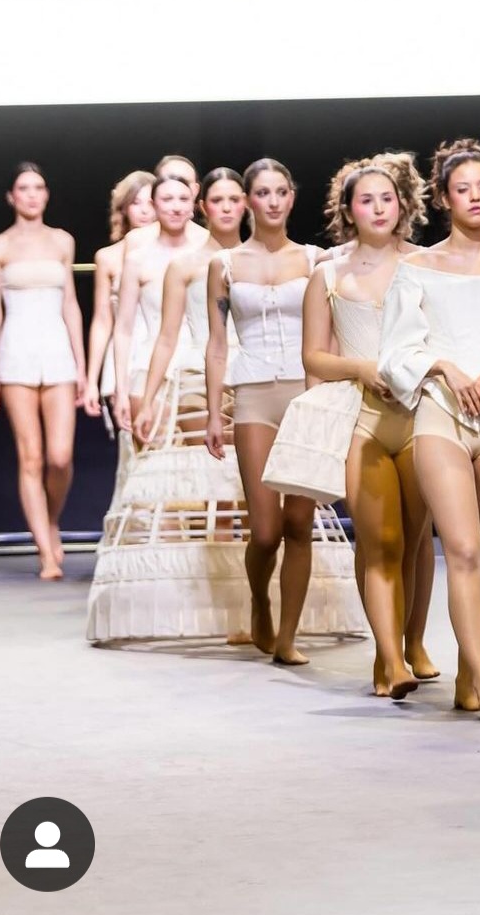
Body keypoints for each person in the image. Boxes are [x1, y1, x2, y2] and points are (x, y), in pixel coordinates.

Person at [379, 138, 480, 714]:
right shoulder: (417, 268)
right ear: (444, 198)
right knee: (463, 549)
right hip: (441, 411)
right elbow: (395, 352)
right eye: (462, 189)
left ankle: (472, 678)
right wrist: (444, 365)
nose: (475, 197)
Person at [303, 152, 434, 699]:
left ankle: (409, 643)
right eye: (366, 200)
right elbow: (314, 356)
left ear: (403, 204)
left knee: (416, 539)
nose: (379, 208)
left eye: (387, 198)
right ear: (348, 209)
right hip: (363, 418)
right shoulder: (328, 274)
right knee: (380, 541)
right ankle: (389, 659)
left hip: (422, 415)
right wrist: (360, 368)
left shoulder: (429, 264)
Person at [204, 158, 320, 664]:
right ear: (249, 200)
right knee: (267, 530)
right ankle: (259, 602)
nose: (273, 201)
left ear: (292, 197)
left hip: (305, 395)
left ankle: (289, 637)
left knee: (299, 524)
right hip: (252, 394)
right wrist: (215, 412)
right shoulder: (225, 265)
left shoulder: (315, 260)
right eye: (263, 193)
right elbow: (216, 345)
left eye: (281, 191)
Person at [0, 163, 86, 580]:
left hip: (57, 351)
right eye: (23, 188)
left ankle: (50, 519)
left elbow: (71, 304)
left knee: (60, 457)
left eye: (38, 187)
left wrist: (82, 366)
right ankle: (46, 552)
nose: (31, 194)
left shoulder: (62, 240)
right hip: (16, 352)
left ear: (46, 194)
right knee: (31, 457)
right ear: (11, 196)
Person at [132, 167, 247, 444]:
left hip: (252, 373)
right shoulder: (183, 266)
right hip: (198, 373)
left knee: (249, 465)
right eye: (217, 200)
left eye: (233, 199)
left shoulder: (261, 262)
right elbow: (166, 337)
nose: (226, 208)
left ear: (245, 203)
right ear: (203, 207)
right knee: (206, 459)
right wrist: (147, 402)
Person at [112, 172, 207, 441]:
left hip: (199, 369)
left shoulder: (210, 253)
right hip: (146, 368)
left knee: (205, 457)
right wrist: (121, 388)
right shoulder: (137, 259)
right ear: (154, 204)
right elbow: (124, 328)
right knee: (153, 457)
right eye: (167, 199)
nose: (176, 207)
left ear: (193, 205)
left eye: (183, 199)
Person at [83, 170, 156, 418]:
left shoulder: (175, 254)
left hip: (166, 348)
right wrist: (91, 381)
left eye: (150, 202)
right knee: (133, 434)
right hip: (125, 354)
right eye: (136, 203)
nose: (144, 211)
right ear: (123, 208)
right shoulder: (108, 257)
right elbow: (102, 320)